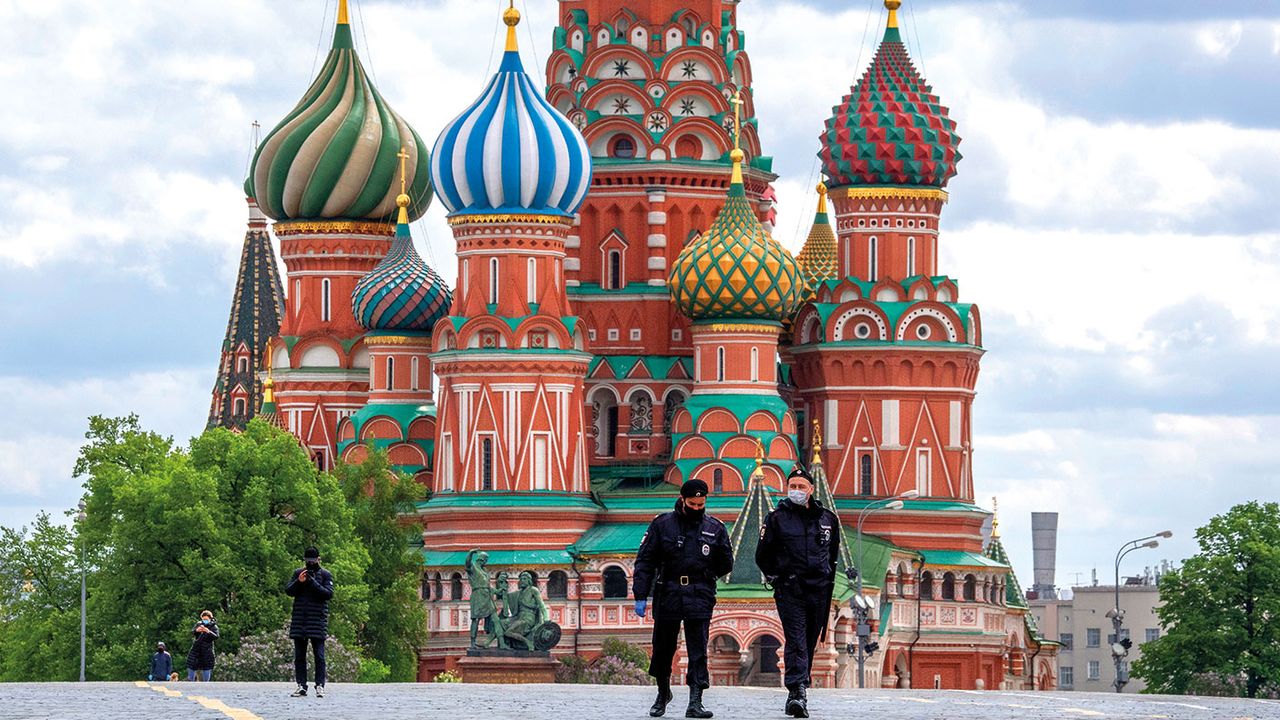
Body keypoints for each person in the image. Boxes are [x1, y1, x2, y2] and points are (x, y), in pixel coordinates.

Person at [633, 479, 733, 719]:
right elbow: (645, 560)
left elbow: (726, 562)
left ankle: (695, 700)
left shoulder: (715, 527)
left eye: (701, 504)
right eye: (692, 503)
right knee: (663, 647)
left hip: (699, 593)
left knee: (698, 649)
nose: (697, 508)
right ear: (682, 499)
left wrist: (707, 576)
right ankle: (662, 693)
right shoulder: (662, 524)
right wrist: (640, 594)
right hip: (668, 591)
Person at [756, 466, 841, 718]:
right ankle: (797, 692)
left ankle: (801, 685)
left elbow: (833, 555)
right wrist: (778, 577)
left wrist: (826, 577)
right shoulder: (776, 519)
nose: (796, 491)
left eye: (801, 487)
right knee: (796, 638)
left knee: (809, 639)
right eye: (792, 486)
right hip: (790, 589)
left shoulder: (827, 519)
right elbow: (762, 555)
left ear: (811, 490)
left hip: (819, 590)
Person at [286, 546, 334, 698]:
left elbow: (328, 594)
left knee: (319, 656)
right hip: (300, 621)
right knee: (299, 656)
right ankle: (301, 685)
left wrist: (312, 582)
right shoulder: (297, 573)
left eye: (313, 560)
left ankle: (320, 685)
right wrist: (299, 582)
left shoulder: (326, 575)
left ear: (319, 559)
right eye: (308, 561)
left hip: (317, 622)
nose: (311, 563)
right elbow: (288, 591)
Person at [501, 571, 548, 651]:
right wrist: (503, 586)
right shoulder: (519, 593)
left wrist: (546, 619)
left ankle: (528, 642)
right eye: (521, 579)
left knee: (508, 632)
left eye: (524, 579)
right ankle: (502, 644)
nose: (522, 581)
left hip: (528, 618)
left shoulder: (534, 590)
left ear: (529, 581)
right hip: (517, 617)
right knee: (501, 623)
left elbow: (541, 605)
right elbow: (507, 597)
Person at [185, 610, 219, 682]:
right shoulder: (199, 624)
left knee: (206, 667)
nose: (204, 621)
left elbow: (216, 636)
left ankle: (206, 684)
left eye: (206, 619)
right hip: (196, 649)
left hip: (207, 651)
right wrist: (197, 630)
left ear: (210, 618)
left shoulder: (214, 627)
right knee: (191, 665)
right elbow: (192, 632)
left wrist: (208, 631)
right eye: (203, 619)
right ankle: (190, 681)